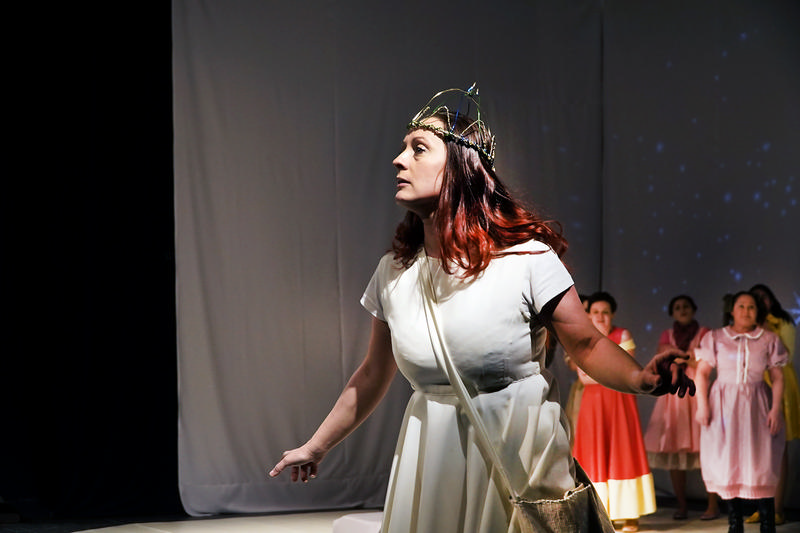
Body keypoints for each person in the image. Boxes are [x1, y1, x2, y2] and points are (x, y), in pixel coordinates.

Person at [268, 86, 692, 533]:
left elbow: (586, 343)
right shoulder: (394, 272)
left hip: (519, 453)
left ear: (460, 168)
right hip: (431, 458)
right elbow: (373, 373)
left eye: (418, 148)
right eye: (402, 149)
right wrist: (317, 446)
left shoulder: (528, 259)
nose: (398, 160)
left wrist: (641, 379)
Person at [695, 291, 787, 533]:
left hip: (757, 404)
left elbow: (778, 377)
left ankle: (767, 523)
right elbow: (701, 373)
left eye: (751, 307)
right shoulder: (715, 337)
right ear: (732, 310)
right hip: (724, 405)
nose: (746, 311)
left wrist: (776, 409)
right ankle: (734, 524)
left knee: (761, 461)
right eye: (741, 306)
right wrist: (702, 405)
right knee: (729, 460)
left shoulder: (768, 339)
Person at [573, 291, 657, 532]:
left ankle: (629, 514)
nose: (600, 317)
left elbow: (625, 371)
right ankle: (600, 513)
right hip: (593, 406)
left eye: (605, 312)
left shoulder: (622, 335)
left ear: (613, 315)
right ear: (588, 315)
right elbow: (585, 378)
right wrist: (610, 372)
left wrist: (605, 372)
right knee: (594, 455)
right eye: (595, 312)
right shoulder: (580, 338)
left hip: (619, 404)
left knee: (623, 452)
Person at [643, 295, 719, 520]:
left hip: (697, 394)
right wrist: (689, 357)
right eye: (677, 307)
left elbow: (707, 361)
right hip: (673, 398)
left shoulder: (704, 332)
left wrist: (683, 359)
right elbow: (663, 363)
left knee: (708, 452)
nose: (682, 310)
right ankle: (681, 505)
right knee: (673, 449)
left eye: (686, 306)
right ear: (672, 313)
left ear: (693, 309)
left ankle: (713, 505)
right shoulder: (667, 335)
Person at [744, 284, 799, 526]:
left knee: (778, 450)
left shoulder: (782, 323)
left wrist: (767, 331)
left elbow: (787, 356)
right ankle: (762, 507)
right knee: (758, 452)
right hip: (754, 386)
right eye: (755, 299)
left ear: (771, 299)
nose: (760, 302)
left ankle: (777, 509)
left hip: (780, 386)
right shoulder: (747, 326)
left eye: (763, 297)